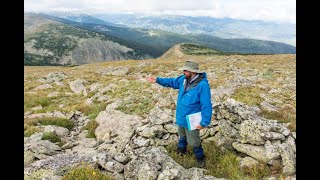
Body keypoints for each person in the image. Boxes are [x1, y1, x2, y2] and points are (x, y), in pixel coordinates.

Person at [147, 60, 213, 168]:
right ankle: (181, 150)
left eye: (185, 70)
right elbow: (172, 82)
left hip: (191, 118)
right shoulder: (184, 79)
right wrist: (157, 80)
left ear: (192, 72)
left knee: (194, 141)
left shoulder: (202, 85)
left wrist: (204, 121)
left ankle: (200, 158)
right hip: (181, 116)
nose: (183, 72)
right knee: (181, 134)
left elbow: (206, 104)